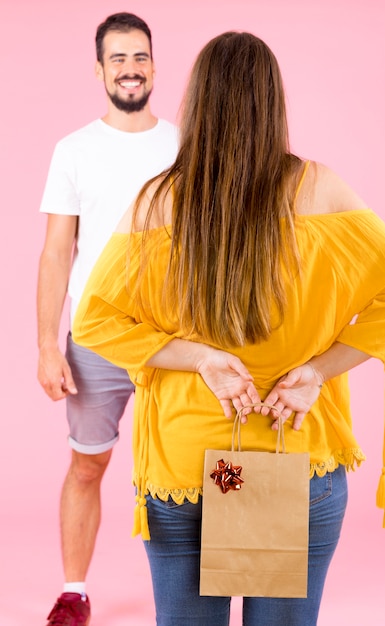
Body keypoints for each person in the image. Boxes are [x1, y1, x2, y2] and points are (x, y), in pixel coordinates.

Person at [72, 31, 385, 626]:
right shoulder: (321, 189)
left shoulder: (156, 202)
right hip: (297, 454)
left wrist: (200, 358)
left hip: (184, 465)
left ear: (196, 103)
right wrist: (315, 372)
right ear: (273, 103)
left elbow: (93, 320)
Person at [37, 12, 178, 625]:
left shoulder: (183, 144)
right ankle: (75, 592)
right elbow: (55, 251)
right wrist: (47, 345)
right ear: (100, 70)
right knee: (88, 462)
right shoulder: (74, 149)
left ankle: (198, 589)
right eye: (118, 58)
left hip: (175, 338)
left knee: (186, 466)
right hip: (96, 337)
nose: (130, 68)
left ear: (154, 65)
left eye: (140, 57)